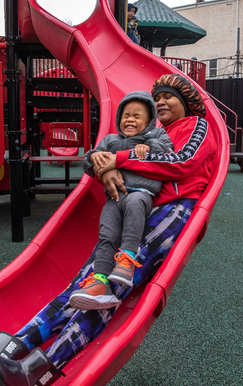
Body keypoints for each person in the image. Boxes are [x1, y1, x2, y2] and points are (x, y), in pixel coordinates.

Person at [0, 74, 217, 386]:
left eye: (170, 97)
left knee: (108, 293)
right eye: (159, 98)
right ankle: (10, 347)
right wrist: (106, 166)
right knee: (87, 285)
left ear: (188, 103)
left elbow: (182, 161)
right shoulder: (154, 133)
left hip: (170, 213)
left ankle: (35, 373)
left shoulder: (197, 126)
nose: (162, 102)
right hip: (136, 211)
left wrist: (118, 159)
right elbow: (102, 156)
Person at [68, 91, 174, 311]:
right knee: (107, 234)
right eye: (126, 115)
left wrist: (149, 147)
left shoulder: (155, 136)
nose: (130, 119)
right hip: (115, 197)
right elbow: (90, 162)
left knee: (134, 209)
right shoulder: (110, 140)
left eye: (137, 116)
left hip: (141, 193)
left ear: (150, 121)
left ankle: (126, 262)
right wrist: (93, 157)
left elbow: (168, 152)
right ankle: (99, 281)